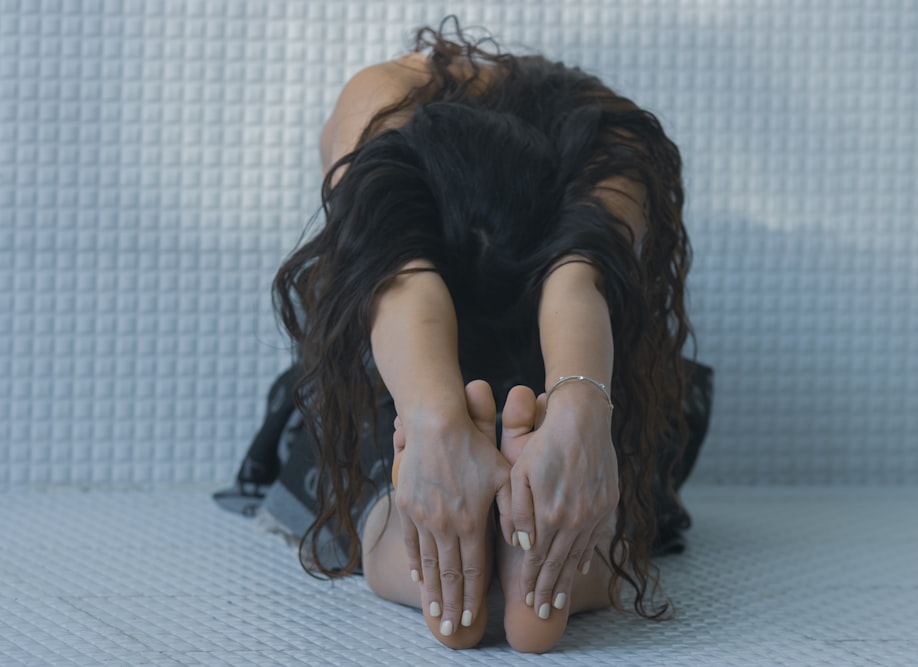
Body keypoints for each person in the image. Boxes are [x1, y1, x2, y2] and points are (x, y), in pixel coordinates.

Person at [268, 19, 708, 653]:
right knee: (600, 496)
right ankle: (559, 555)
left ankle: (425, 552)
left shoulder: (610, 144)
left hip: (542, 366)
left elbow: (421, 282)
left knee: (377, 487)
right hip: (417, 373)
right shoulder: (380, 111)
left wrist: (578, 418)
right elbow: (409, 276)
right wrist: (434, 420)